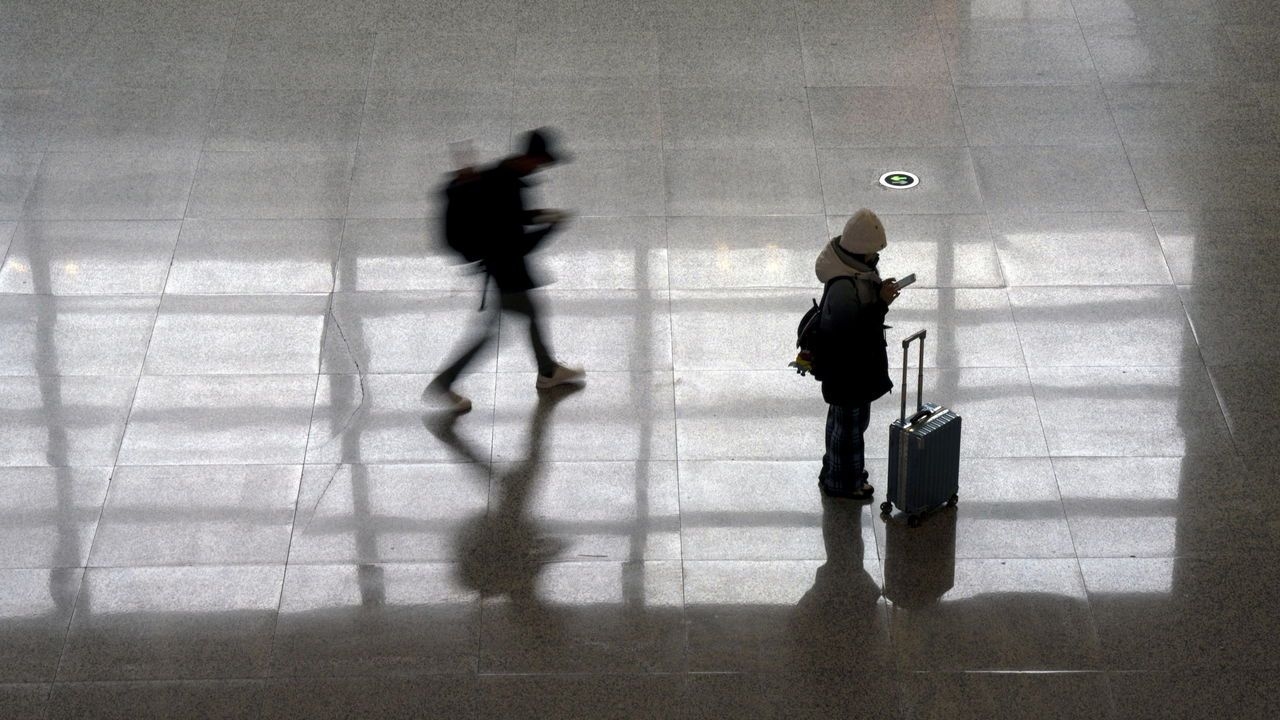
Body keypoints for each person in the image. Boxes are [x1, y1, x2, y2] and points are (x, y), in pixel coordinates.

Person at [426, 129, 586, 413]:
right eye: (540, 162)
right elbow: (516, 242)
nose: (541, 168)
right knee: (492, 332)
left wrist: (539, 215)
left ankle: (548, 370)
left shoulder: (502, 174)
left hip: (504, 264)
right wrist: (550, 228)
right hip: (505, 268)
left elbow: (507, 218)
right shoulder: (507, 185)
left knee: (531, 313)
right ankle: (444, 383)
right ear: (531, 158)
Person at [814, 209, 899, 499]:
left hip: (848, 374)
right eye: (874, 255)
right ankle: (843, 483)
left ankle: (836, 472)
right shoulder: (843, 289)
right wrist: (881, 304)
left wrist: (878, 297)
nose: (876, 259)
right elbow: (855, 335)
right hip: (849, 373)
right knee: (848, 431)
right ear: (862, 253)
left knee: (844, 424)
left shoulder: (850, 275)